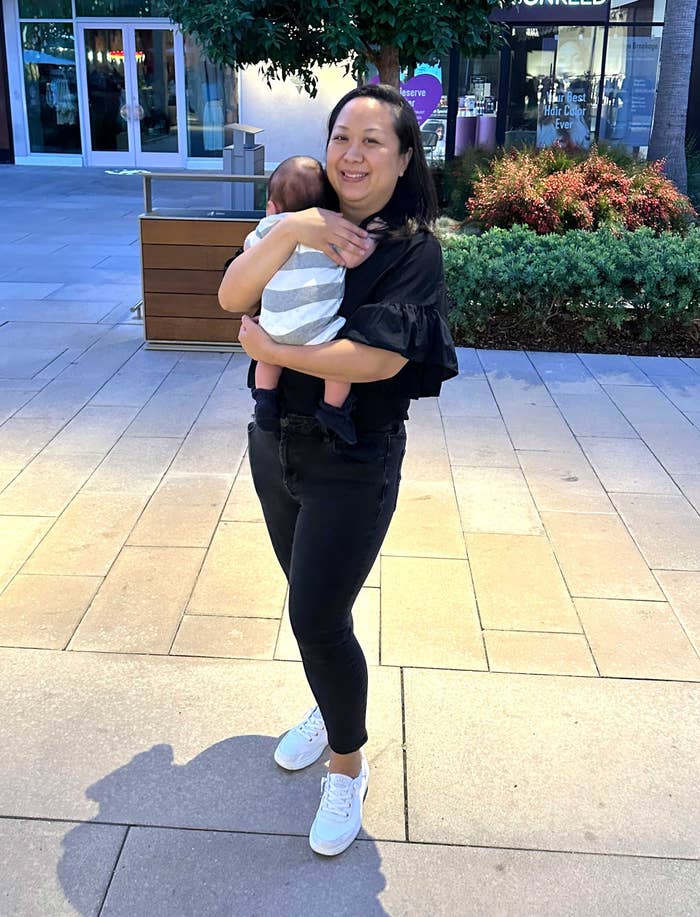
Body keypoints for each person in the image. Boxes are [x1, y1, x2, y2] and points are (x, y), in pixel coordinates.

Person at [219, 83, 458, 857]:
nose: (351, 155)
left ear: (404, 157)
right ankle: (331, 703)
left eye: (372, 141)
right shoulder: (293, 219)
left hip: (354, 457)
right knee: (313, 604)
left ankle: (347, 765)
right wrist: (292, 227)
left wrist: (275, 352)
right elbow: (232, 293)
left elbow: (381, 356)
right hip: (274, 443)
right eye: (341, 138)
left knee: (315, 617)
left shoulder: (412, 248)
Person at [247, 154, 371, 444]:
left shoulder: (266, 231)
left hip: (274, 325)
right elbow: (352, 259)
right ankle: (333, 409)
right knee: (339, 364)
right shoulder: (332, 234)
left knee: (267, 354)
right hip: (318, 329)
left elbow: (250, 257)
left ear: (271, 208)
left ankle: (265, 400)